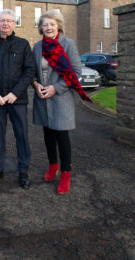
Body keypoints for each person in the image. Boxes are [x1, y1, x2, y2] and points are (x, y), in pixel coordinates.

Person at [32, 10, 91, 195]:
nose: (48, 27)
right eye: (45, 24)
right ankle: (53, 166)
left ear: (58, 26)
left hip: (60, 98)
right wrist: (35, 84)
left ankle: (66, 174)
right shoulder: (37, 46)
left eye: (52, 24)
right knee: (48, 135)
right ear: (41, 27)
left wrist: (55, 88)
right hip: (42, 98)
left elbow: (76, 72)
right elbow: (32, 70)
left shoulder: (68, 44)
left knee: (62, 137)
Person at [0, 9, 35, 189]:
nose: (6, 24)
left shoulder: (23, 44)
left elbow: (29, 71)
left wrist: (15, 93)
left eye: (9, 21)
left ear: (14, 23)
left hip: (17, 100)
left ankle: (23, 170)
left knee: (22, 136)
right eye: (3, 20)